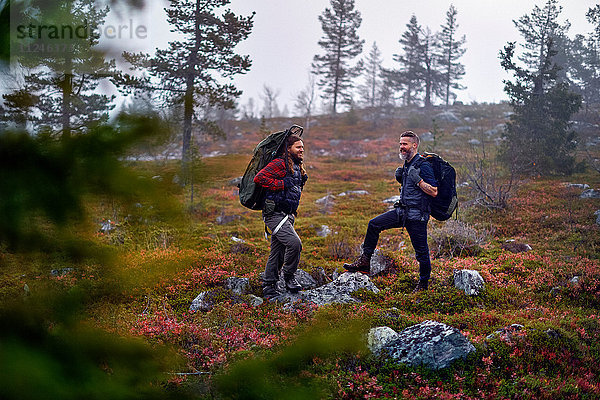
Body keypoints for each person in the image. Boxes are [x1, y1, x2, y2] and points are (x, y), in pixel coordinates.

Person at [344, 131, 438, 292]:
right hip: (402, 212)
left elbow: (434, 191)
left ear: (414, 145)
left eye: (405, 144)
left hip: (417, 216)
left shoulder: (423, 165)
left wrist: (419, 180)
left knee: (421, 252)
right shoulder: (408, 164)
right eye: (400, 144)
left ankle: (423, 284)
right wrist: (403, 178)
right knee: (374, 225)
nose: (401, 147)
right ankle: (365, 262)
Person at [253, 134, 308, 298]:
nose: (301, 150)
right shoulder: (279, 163)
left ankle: (269, 286)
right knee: (294, 244)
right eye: (298, 147)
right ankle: (289, 277)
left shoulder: (297, 166)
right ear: (288, 148)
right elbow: (259, 178)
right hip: (275, 214)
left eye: (302, 147)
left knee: (278, 252)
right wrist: (281, 184)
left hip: (288, 215)